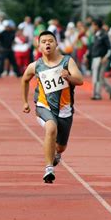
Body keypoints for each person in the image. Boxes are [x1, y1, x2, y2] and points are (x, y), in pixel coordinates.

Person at [21, 31, 83, 183]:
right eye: (43, 41)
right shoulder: (36, 66)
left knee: (61, 147)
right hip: (44, 106)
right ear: (39, 45)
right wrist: (25, 102)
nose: (47, 44)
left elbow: (80, 80)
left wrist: (68, 76)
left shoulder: (67, 61)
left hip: (65, 110)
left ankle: (57, 154)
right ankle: (49, 169)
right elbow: (25, 80)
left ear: (56, 44)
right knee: (51, 129)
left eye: (50, 41)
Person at [88, 19, 111, 100]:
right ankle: (110, 89)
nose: (92, 27)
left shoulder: (104, 35)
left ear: (97, 25)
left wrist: (106, 57)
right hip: (95, 58)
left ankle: (97, 94)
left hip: (101, 58)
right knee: (99, 77)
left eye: (93, 25)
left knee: (96, 77)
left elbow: (110, 48)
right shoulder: (95, 34)